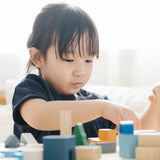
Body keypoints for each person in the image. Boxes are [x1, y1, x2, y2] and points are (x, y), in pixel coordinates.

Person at [12, 3, 156, 143]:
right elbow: (41, 116)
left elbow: (139, 127)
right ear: (37, 57)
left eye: (88, 60)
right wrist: (102, 108)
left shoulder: (93, 102)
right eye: (69, 59)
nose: (81, 72)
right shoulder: (31, 90)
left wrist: (156, 105)